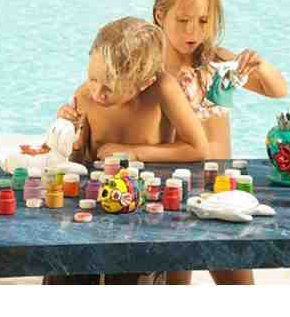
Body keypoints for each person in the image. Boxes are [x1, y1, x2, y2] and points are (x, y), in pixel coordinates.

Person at [57, 0, 288, 285]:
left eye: (203, 21)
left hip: (218, 182)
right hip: (172, 184)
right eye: (183, 20)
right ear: (159, 15)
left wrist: (259, 65)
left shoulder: (216, 63)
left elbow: (278, 90)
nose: (193, 31)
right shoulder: (144, 70)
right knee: (177, 276)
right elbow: (108, 102)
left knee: (234, 277)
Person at [44, 16, 209, 285]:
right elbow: (78, 162)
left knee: (131, 275)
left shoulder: (162, 90)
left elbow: (198, 148)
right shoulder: (85, 96)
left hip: (144, 211)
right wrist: (70, 137)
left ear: (144, 83)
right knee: (66, 268)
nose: (96, 92)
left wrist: (133, 152)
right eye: (92, 78)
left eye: (108, 86)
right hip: (93, 208)